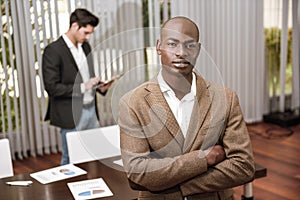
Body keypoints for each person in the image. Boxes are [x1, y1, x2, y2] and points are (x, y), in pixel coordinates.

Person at [118, 16, 255, 199]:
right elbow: (138, 172)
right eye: (172, 44)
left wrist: (172, 186)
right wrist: (203, 159)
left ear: (198, 50)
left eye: (189, 45)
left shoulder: (226, 98)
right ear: (159, 46)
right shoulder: (132, 102)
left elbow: (243, 166)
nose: (181, 52)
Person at [42, 8, 114, 165]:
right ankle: (66, 190)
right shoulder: (53, 51)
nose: (88, 37)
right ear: (75, 26)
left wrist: (100, 87)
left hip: (91, 110)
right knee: (70, 159)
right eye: (86, 33)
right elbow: (52, 88)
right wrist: (83, 87)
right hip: (71, 112)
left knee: (92, 156)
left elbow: (88, 77)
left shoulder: (85, 47)